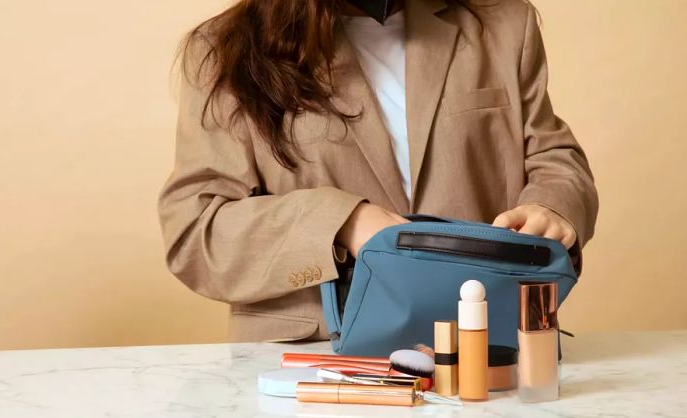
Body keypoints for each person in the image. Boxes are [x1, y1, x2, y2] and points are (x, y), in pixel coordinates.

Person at [158, 0, 599, 342]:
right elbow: (196, 232)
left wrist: (552, 205)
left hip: (484, 346)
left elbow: (553, 155)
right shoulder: (223, 50)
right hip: (309, 360)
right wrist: (341, 221)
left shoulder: (504, 23)